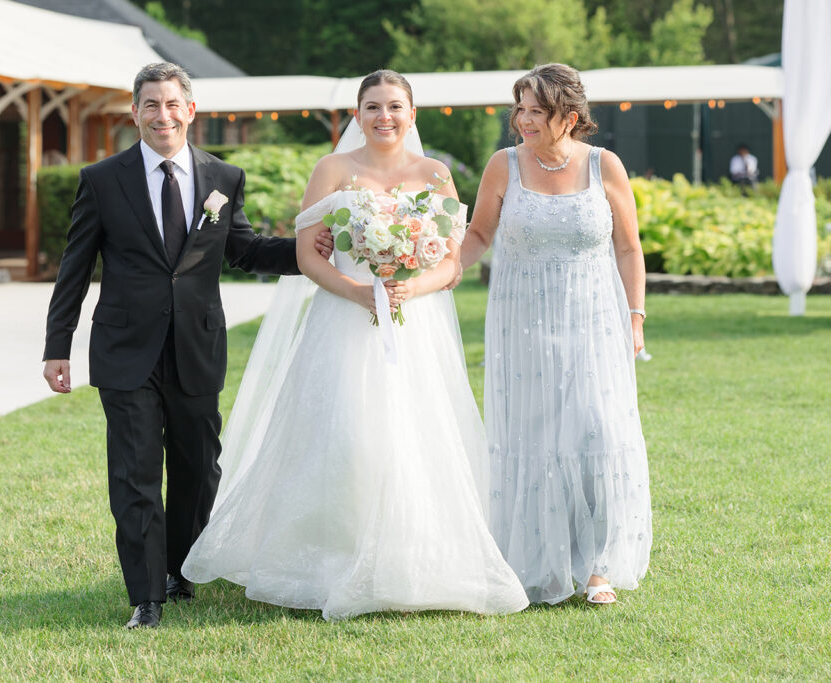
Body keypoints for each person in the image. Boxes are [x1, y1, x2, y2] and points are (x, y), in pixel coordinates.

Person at [181, 70, 529, 621]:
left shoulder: (435, 174)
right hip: (344, 319)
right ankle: (333, 558)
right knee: (347, 431)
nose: (383, 117)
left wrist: (411, 288)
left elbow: (451, 259)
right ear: (357, 115)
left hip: (417, 323)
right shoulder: (333, 170)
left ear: (413, 114)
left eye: (394, 106)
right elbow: (307, 255)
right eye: (372, 107)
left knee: (415, 433)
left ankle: (413, 557)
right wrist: (359, 293)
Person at [41, 62, 331, 629]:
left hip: (197, 347)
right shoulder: (102, 179)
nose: (162, 115)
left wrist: (309, 250)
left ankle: (181, 570)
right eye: (150, 104)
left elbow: (243, 250)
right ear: (135, 113)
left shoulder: (223, 177)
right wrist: (57, 347)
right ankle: (145, 597)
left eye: (172, 104)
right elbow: (74, 269)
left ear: (190, 110)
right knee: (135, 472)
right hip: (125, 351)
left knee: (199, 469)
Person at [457, 63, 652, 605]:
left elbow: (629, 248)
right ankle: (538, 558)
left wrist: (634, 318)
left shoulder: (605, 166)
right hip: (522, 325)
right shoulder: (504, 165)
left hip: (595, 322)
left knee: (599, 434)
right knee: (537, 436)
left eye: (535, 111)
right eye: (518, 108)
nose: (522, 119)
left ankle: (598, 565)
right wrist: (440, 271)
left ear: (569, 116)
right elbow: (478, 235)